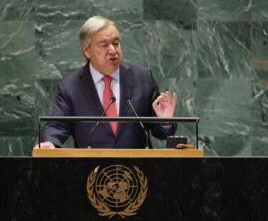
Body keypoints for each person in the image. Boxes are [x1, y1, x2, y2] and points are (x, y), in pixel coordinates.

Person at [37, 15, 177, 149]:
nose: (113, 50)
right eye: (104, 45)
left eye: (116, 43)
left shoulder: (142, 77)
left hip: (137, 170)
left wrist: (165, 121)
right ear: (87, 51)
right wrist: (50, 142)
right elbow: (56, 125)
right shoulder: (70, 86)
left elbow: (161, 132)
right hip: (92, 171)